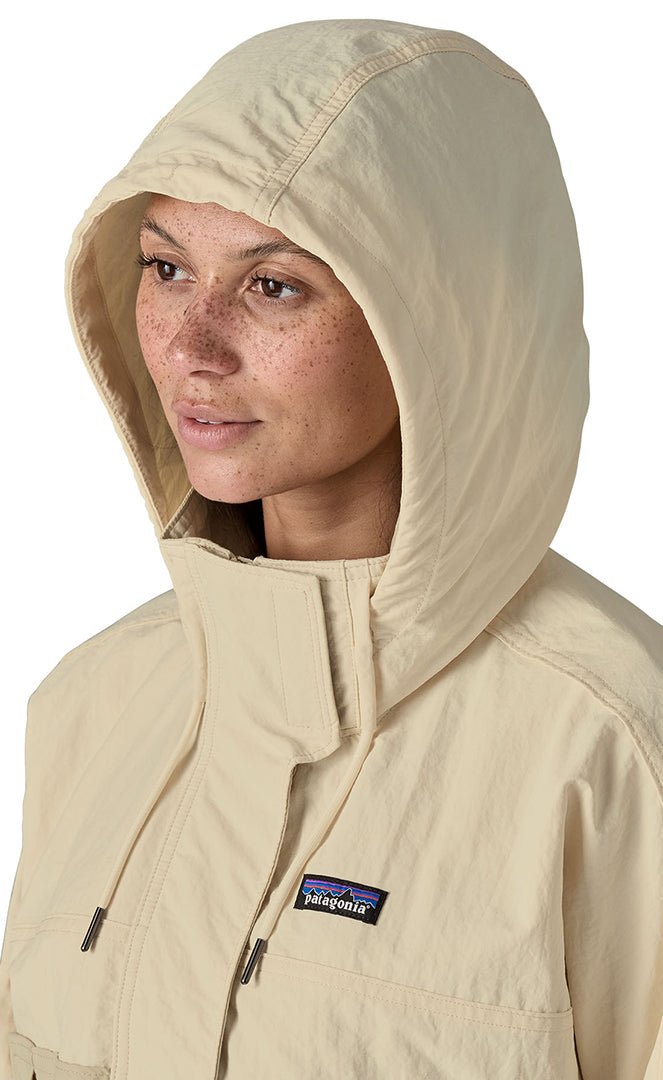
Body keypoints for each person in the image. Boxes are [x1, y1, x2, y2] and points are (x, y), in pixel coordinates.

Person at [0, 16, 661, 1080]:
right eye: (165, 267)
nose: (189, 347)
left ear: (442, 322)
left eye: (273, 285)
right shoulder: (91, 704)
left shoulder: (609, 742)